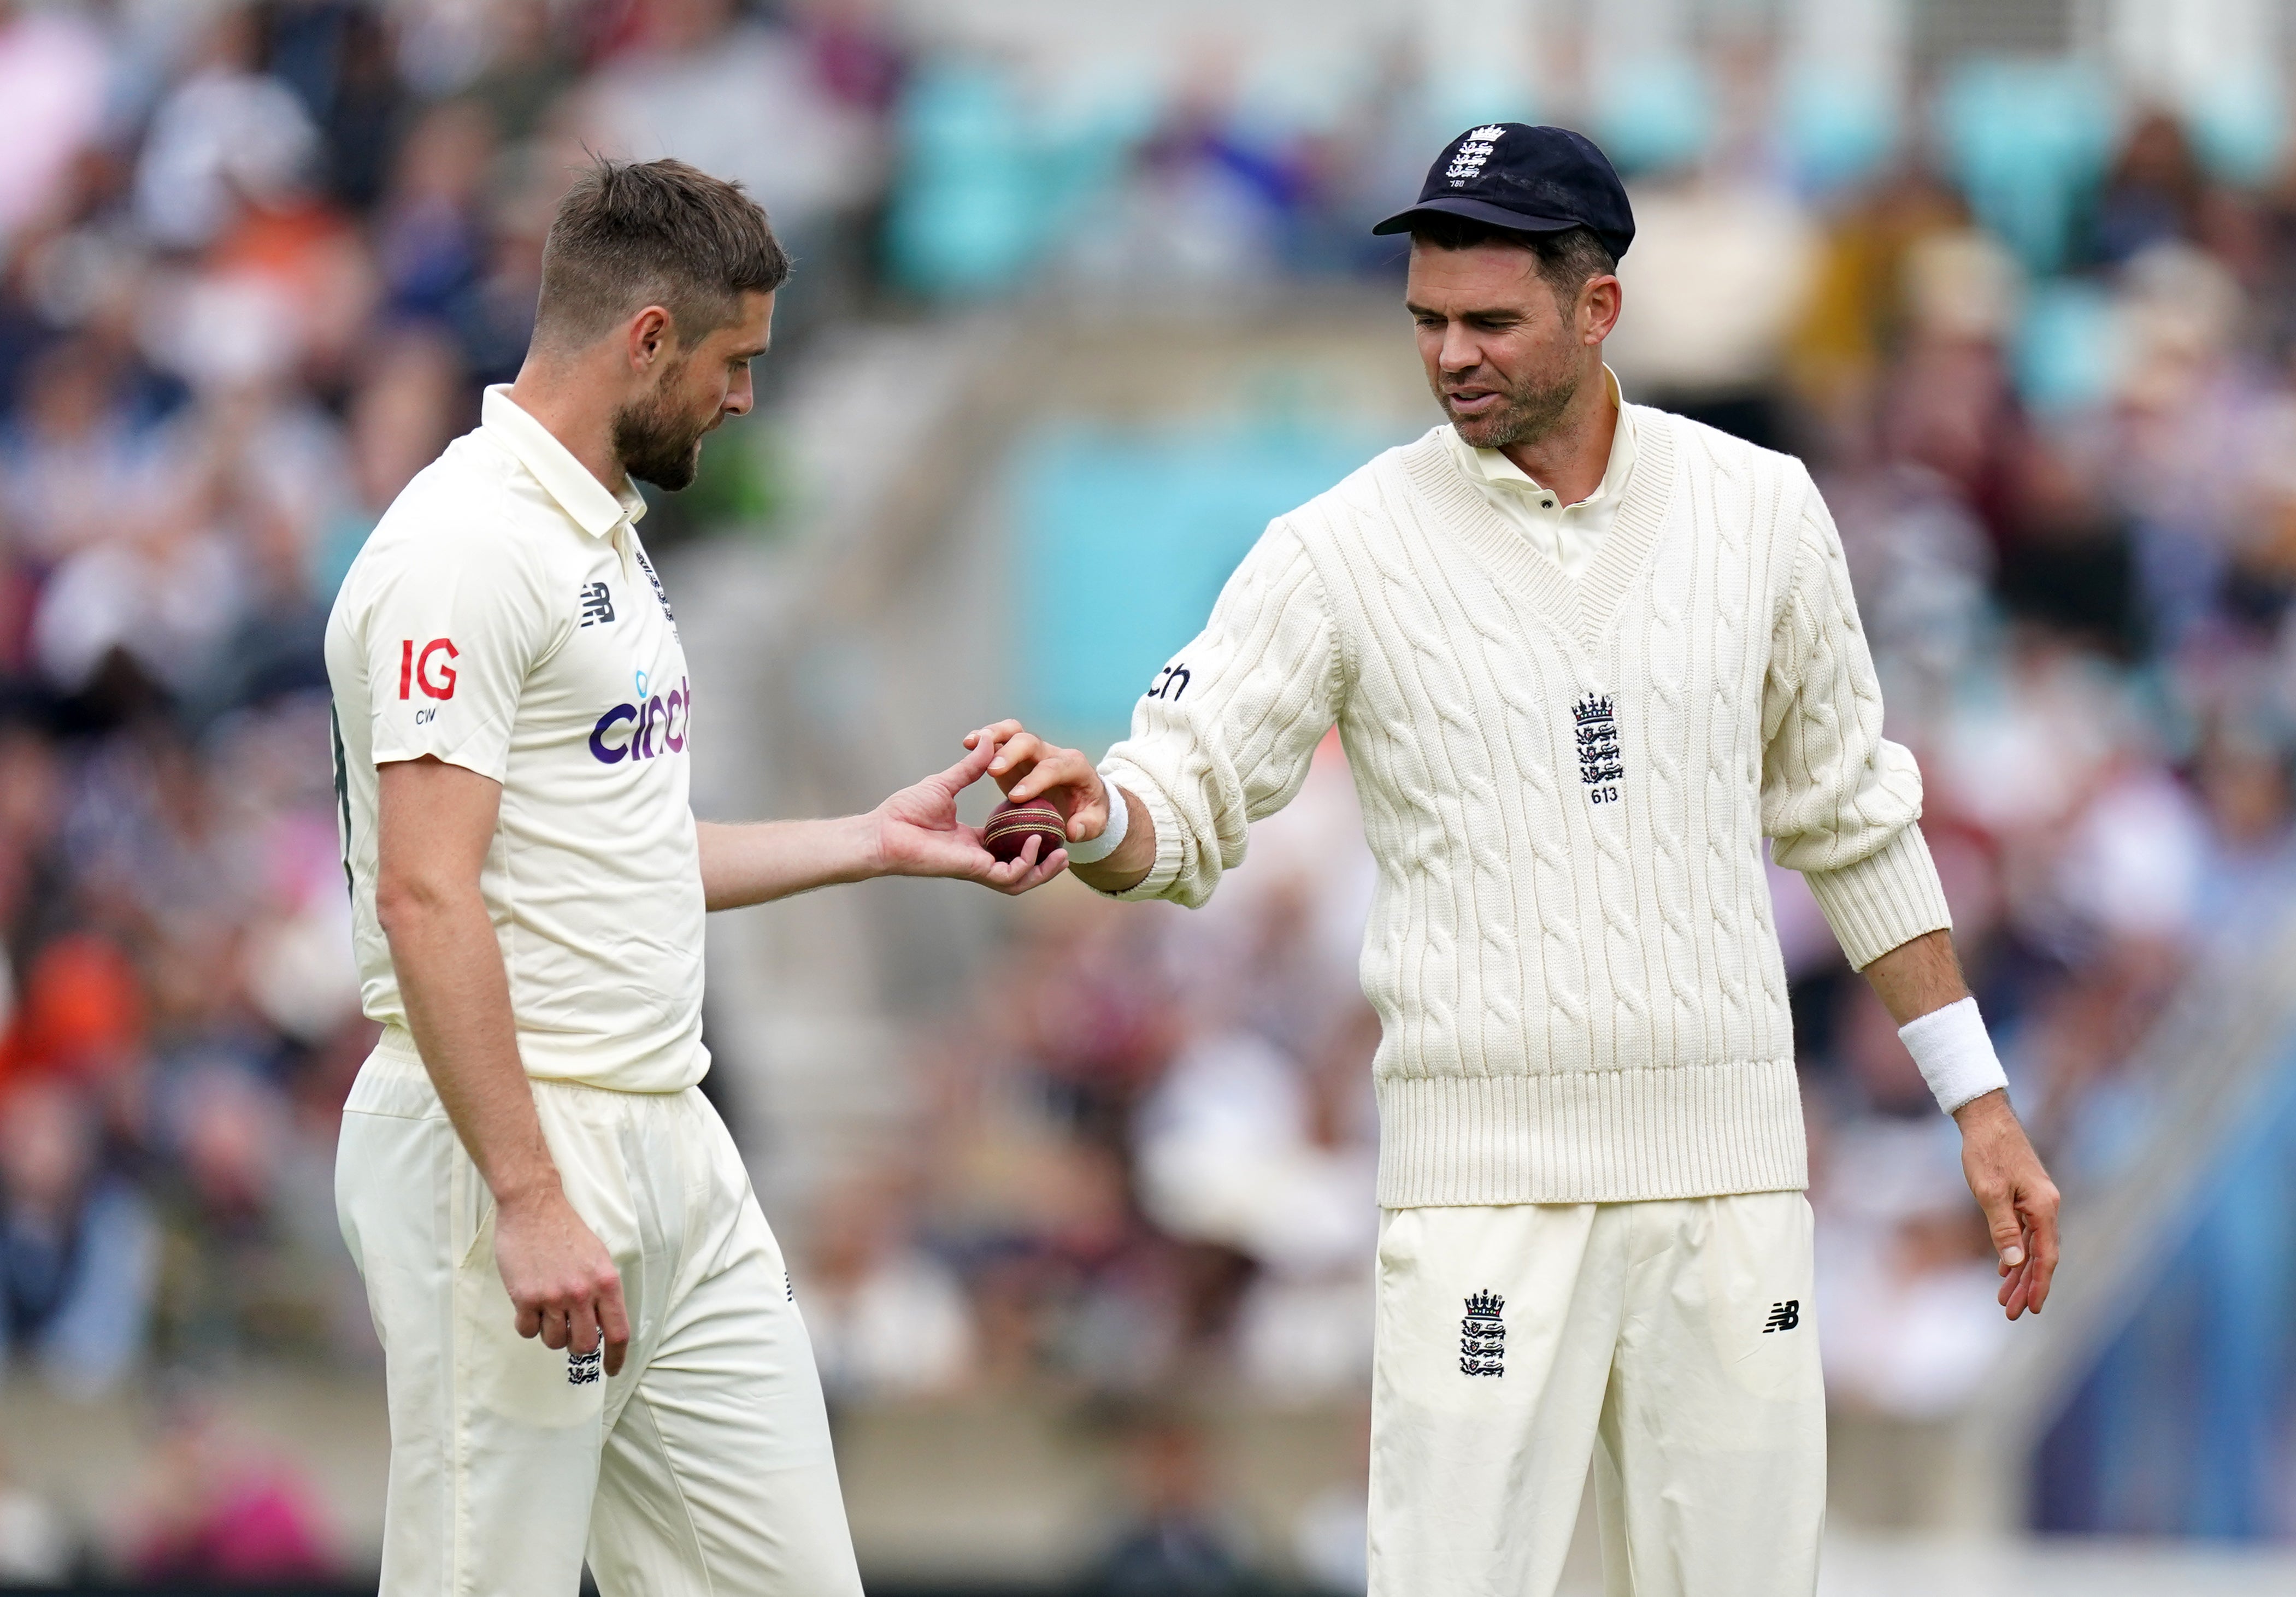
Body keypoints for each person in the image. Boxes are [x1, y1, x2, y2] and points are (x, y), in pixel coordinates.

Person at [980, 125, 2061, 1597]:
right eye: (1427, 320)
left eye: (1489, 320)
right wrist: (1098, 814)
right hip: (1481, 1192)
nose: (1450, 355)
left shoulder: (1759, 514)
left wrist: (1977, 1103)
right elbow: (1189, 785)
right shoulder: (1336, 549)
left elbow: (1851, 823)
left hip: (1726, 1181)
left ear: (1596, 307)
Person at [323, 156, 1063, 1597]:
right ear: (646, 339)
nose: (742, 400)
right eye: (734, 364)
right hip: (512, 1143)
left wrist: (871, 839)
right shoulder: (464, 548)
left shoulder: (599, 536)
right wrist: (529, 1193)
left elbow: (619, 857)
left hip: (669, 1131)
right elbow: (425, 893)